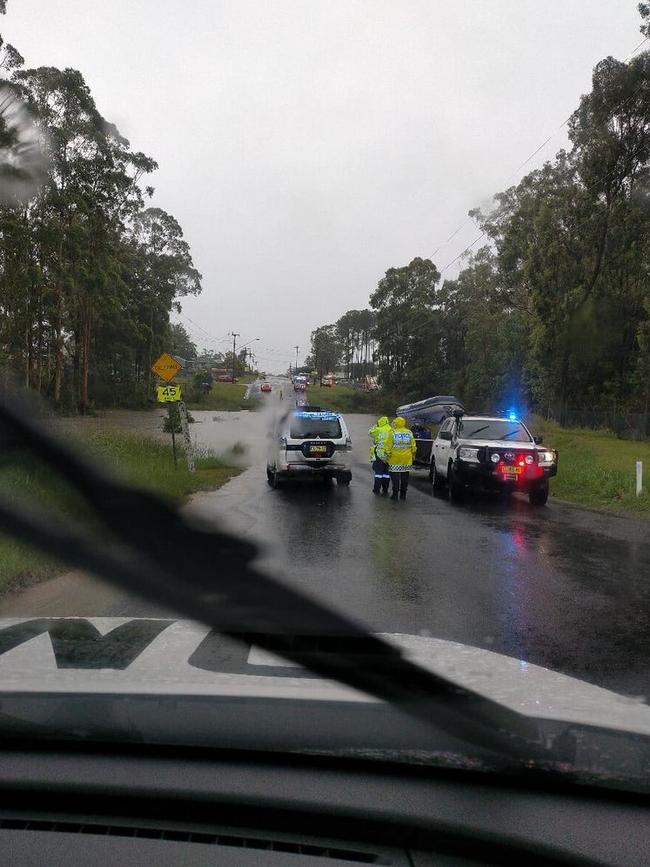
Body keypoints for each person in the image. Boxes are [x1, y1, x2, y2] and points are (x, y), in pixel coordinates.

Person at [384, 416, 417, 500]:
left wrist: (386, 458)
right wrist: (413, 456)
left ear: (396, 423)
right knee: (405, 477)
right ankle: (403, 494)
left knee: (395, 477)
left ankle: (395, 494)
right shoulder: (409, 432)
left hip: (395, 459)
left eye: (395, 422)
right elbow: (413, 447)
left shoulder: (392, 433)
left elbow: (388, 447)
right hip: (406, 459)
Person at [368, 415, 392, 495]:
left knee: (378, 473)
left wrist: (376, 425)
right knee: (386, 474)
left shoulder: (378, 429)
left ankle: (376, 489)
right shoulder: (392, 430)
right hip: (389, 455)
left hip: (379, 454)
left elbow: (370, 432)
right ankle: (385, 490)